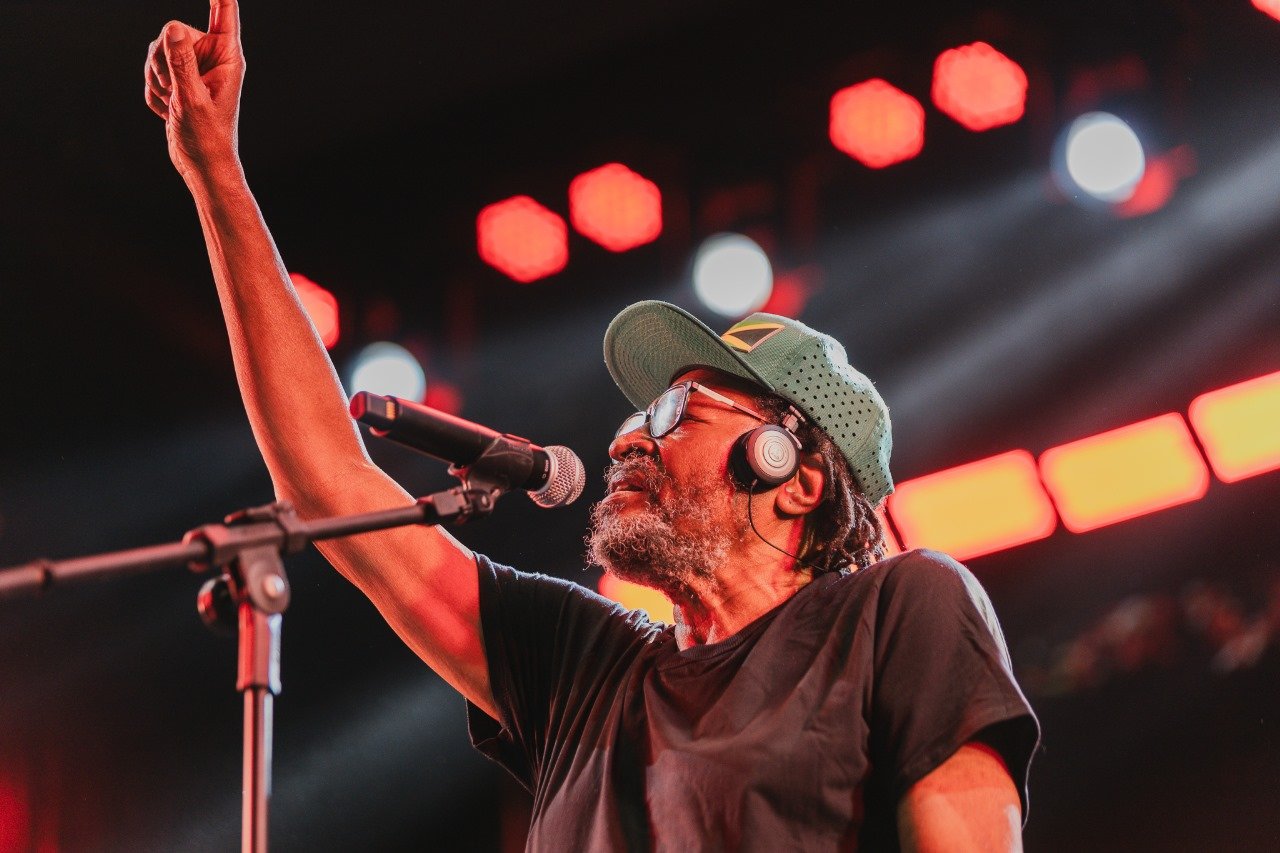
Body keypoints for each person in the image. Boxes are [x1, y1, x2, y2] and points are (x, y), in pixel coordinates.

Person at [144, 3, 1039, 849]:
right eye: (641, 412)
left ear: (790, 470)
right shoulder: (581, 664)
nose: (626, 438)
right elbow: (331, 484)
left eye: (675, 411)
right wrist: (216, 175)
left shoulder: (901, 607)